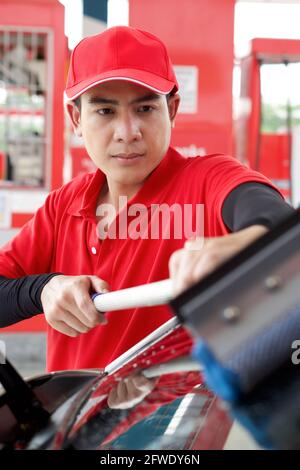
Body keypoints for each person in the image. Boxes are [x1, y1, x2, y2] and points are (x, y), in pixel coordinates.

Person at [0, 26, 294, 373]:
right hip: (73, 422)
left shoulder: (208, 180)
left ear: (171, 110)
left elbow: (277, 220)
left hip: (176, 425)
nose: (127, 132)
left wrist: (248, 246)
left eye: (145, 109)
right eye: (105, 111)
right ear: (76, 119)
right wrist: (44, 289)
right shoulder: (62, 207)